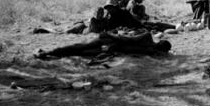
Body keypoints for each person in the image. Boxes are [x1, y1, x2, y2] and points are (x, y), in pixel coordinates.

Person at [34, 31, 172, 59]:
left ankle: (52, 54)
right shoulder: (147, 37)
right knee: (80, 47)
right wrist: (111, 36)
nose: (159, 51)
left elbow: (130, 50)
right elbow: (128, 39)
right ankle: (47, 52)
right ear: (159, 43)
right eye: (160, 48)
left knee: (82, 53)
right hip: (111, 41)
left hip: (111, 48)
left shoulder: (150, 50)